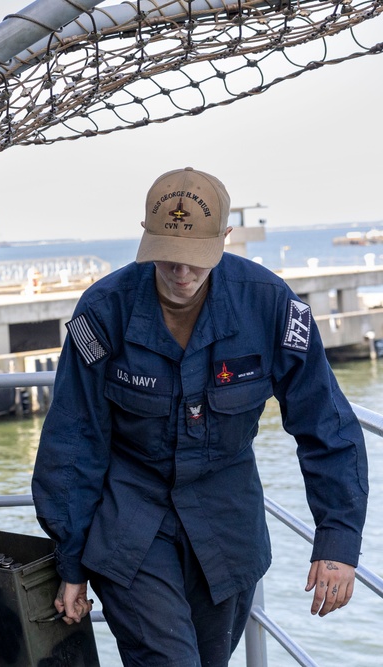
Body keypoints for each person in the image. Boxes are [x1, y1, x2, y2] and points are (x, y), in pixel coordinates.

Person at [31, 167, 369, 666]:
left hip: (225, 527)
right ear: (145, 239)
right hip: (131, 524)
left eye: (196, 260)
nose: (182, 273)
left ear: (225, 239)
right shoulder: (104, 312)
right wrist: (72, 560)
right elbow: (73, 441)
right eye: (168, 258)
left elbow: (326, 424)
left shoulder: (270, 306)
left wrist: (337, 541)